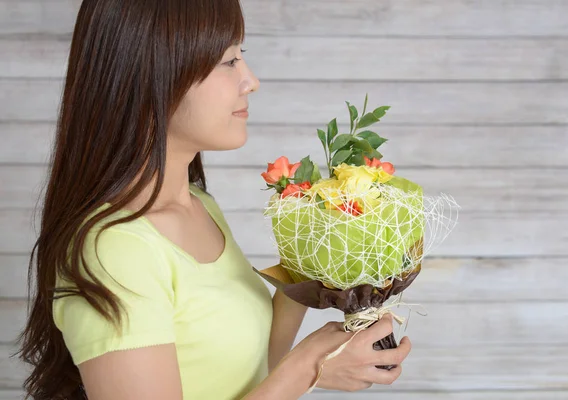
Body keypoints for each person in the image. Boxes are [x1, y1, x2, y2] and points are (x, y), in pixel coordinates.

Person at [16, 0, 412, 399]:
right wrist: (307, 367)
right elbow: (286, 374)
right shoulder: (114, 249)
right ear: (155, 72)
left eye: (243, 56)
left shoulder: (197, 203)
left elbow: (254, 366)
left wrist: (315, 257)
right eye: (228, 61)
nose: (250, 80)